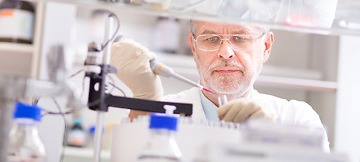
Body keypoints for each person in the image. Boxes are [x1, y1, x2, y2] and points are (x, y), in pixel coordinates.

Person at [110, 20, 330, 151]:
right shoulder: (159, 110)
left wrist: (270, 138)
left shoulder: (297, 119)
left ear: (266, 46)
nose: (226, 52)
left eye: (240, 38)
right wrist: (144, 102)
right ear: (194, 49)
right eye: (211, 39)